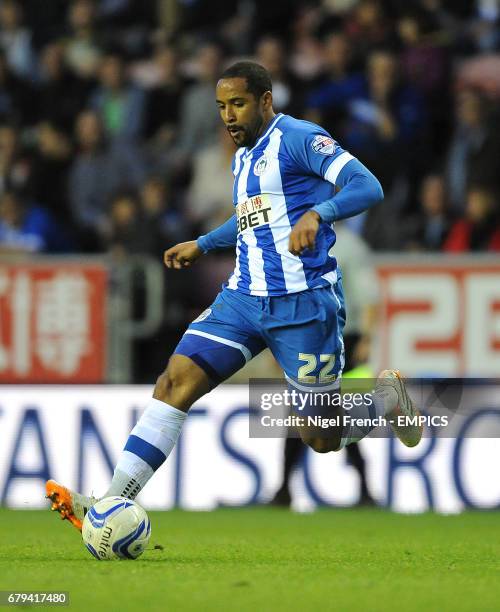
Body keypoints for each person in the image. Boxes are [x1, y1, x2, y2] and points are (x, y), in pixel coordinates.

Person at [46, 61, 421, 530]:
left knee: (320, 437)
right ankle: (109, 503)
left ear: (265, 101)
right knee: (173, 382)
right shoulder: (243, 156)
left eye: (238, 104)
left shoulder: (301, 138)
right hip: (242, 299)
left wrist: (319, 214)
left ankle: (385, 401)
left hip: (303, 305)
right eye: (222, 106)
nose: (228, 116)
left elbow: (368, 185)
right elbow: (251, 218)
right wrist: (203, 243)